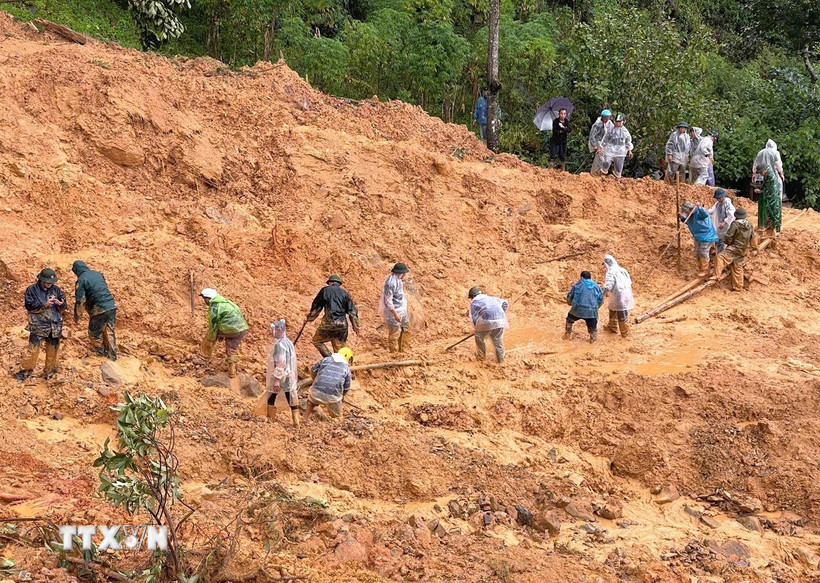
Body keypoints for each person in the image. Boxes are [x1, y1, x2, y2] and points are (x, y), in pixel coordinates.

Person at [15, 269, 66, 381]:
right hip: (38, 324)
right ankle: (25, 371)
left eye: (51, 283)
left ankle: (50, 372)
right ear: (41, 280)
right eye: (47, 282)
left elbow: (64, 304)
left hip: (54, 324)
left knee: (53, 349)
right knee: (33, 350)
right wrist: (44, 305)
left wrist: (61, 304)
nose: (49, 285)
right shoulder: (32, 290)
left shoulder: (56, 290)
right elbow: (29, 305)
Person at [71, 260, 117, 361]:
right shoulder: (98, 274)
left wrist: (77, 316)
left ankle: (100, 353)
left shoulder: (81, 280)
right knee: (109, 330)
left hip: (99, 308)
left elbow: (80, 300)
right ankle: (112, 356)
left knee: (94, 332)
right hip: (111, 305)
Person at [199, 288, 249, 377]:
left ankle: (203, 356)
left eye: (204, 299)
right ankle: (232, 370)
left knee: (209, 335)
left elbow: (213, 325)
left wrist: (211, 339)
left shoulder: (215, 306)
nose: (204, 301)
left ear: (208, 298)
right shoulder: (226, 302)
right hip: (242, 329)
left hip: (231, 328)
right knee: (231, 348)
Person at [306, 275, 360, 358]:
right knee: (340, 349)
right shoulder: (345, 293)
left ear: (330, 283)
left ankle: (330, 358)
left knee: (317, 341)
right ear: (339, 284)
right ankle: (342, 366)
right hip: (342, 326)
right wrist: (355, 327)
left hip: (328, 324)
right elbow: (352, 312)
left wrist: (310, 318)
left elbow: (317, 307)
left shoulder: (325, 291)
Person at [303, 346, 353, 421]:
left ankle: (304, 418)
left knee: (311, 402)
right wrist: (342, 395)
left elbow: (313, 369)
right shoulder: (346, 368)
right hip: (333, 396)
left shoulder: (326, 360)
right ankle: (337, 422)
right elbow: (347, 387)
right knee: (337, 417)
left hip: (316, 391)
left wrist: (316, 380)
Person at [713, 208, 758, 291]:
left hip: (734, 248)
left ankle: (717, 275)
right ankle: (738, 287)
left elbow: (728, 236)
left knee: (720, 257)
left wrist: (727, 242)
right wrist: (754, 247)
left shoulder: (735, 224)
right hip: (742, 250)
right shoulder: (749, 225)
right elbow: (754, 237)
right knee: (737, 267)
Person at [266, 319, 300, 427]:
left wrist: (277, 379)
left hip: (281, 374)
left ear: (279, 330)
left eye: (274, 330)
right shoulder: (288, 342)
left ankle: (270, 419)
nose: (273, 332)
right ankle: (296, 421)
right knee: (290, 394)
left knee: (271, 395)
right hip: (289, 374)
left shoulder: (280, 345)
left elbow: (281, 362)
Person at [468, 287, 509, 363]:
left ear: (473, 296)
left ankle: (481, 357)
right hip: (500, 321)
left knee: (478, 336)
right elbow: (505, 303)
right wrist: (501, 313)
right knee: (497, 340)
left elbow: (473, 318)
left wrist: (477, 329)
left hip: (486, 322)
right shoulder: (492, 298)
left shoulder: (474, 303)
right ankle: (501, 360)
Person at [680, 201, 719, 277]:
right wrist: (681, 217)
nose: (686, 213)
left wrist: (700, 207)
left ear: (690, 209)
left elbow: (705, 214)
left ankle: (704, 270)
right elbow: (687, 220)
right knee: (698, 252)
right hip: (697, 236)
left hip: (707, 236)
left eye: (686, 211)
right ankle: (701, 269)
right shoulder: (690, 215)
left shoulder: (699, 212)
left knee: (703, 252)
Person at [565, 271, 604, 343]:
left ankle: (567, 335)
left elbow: (570, 296)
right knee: (593, 328)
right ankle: (593, 340)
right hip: (591, 312)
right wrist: (595, 307)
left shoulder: (577, 285)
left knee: (569, 320)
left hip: (577, 309)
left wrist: (570, 303)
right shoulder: (597, 287)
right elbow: (601, 300)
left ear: (581, 277)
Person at [380, 263, 410, 353]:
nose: (404, 275)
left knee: (405, 329)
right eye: (403, 273)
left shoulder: (399, 280)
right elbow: (388, 300)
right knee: (394, 333)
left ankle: (403, 350)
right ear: (398, 273)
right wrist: (395, 314)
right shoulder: (390, 283)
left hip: (401, 310)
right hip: (394, 312)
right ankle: (394, 353)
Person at [602, 255, 634, 338]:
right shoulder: (622, 270)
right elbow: (629, 281)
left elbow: (609, 283)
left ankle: (624, 331)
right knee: (612, 308)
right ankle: (612, 327)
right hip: (626, 292)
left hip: (618, 293)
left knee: (621, 311)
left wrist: (605, 291)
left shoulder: (611, 272)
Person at [592, 114, 633, 178]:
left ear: (622, 122)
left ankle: (617, 178)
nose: (617, 123)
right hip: (610, 149)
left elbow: (628, 141)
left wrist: (629, 150)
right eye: (617, 121)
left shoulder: (625, 131)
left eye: (619, 122)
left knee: (619, 167)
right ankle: (602, 175)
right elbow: (605, 139)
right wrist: (600, 148)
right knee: (606, 162)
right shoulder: (611, 130)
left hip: (620, 151)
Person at [755, 165, 782, 238]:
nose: (760, 174)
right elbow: (765, 185)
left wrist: (761, 191)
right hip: (770, 196)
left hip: (773, 198)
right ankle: (769, 228)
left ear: (764, 170)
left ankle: (772, 230)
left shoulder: (770, 176)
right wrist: (760, 189)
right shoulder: (767, 174)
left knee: (773, 213)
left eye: (761, 172)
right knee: (769, 214)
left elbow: (771, 190)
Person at [588, 109, 613, 175]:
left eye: (608, 117)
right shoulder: (597, 125)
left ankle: (600, 172)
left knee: (606, 157)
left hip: (605, 143)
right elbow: (592, 136)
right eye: (605, 117)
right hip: (597, 142)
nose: (607, 119)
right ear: (602, 117)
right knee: (599, 157)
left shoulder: (609, 124)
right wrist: (594, 145)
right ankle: (594, 172)